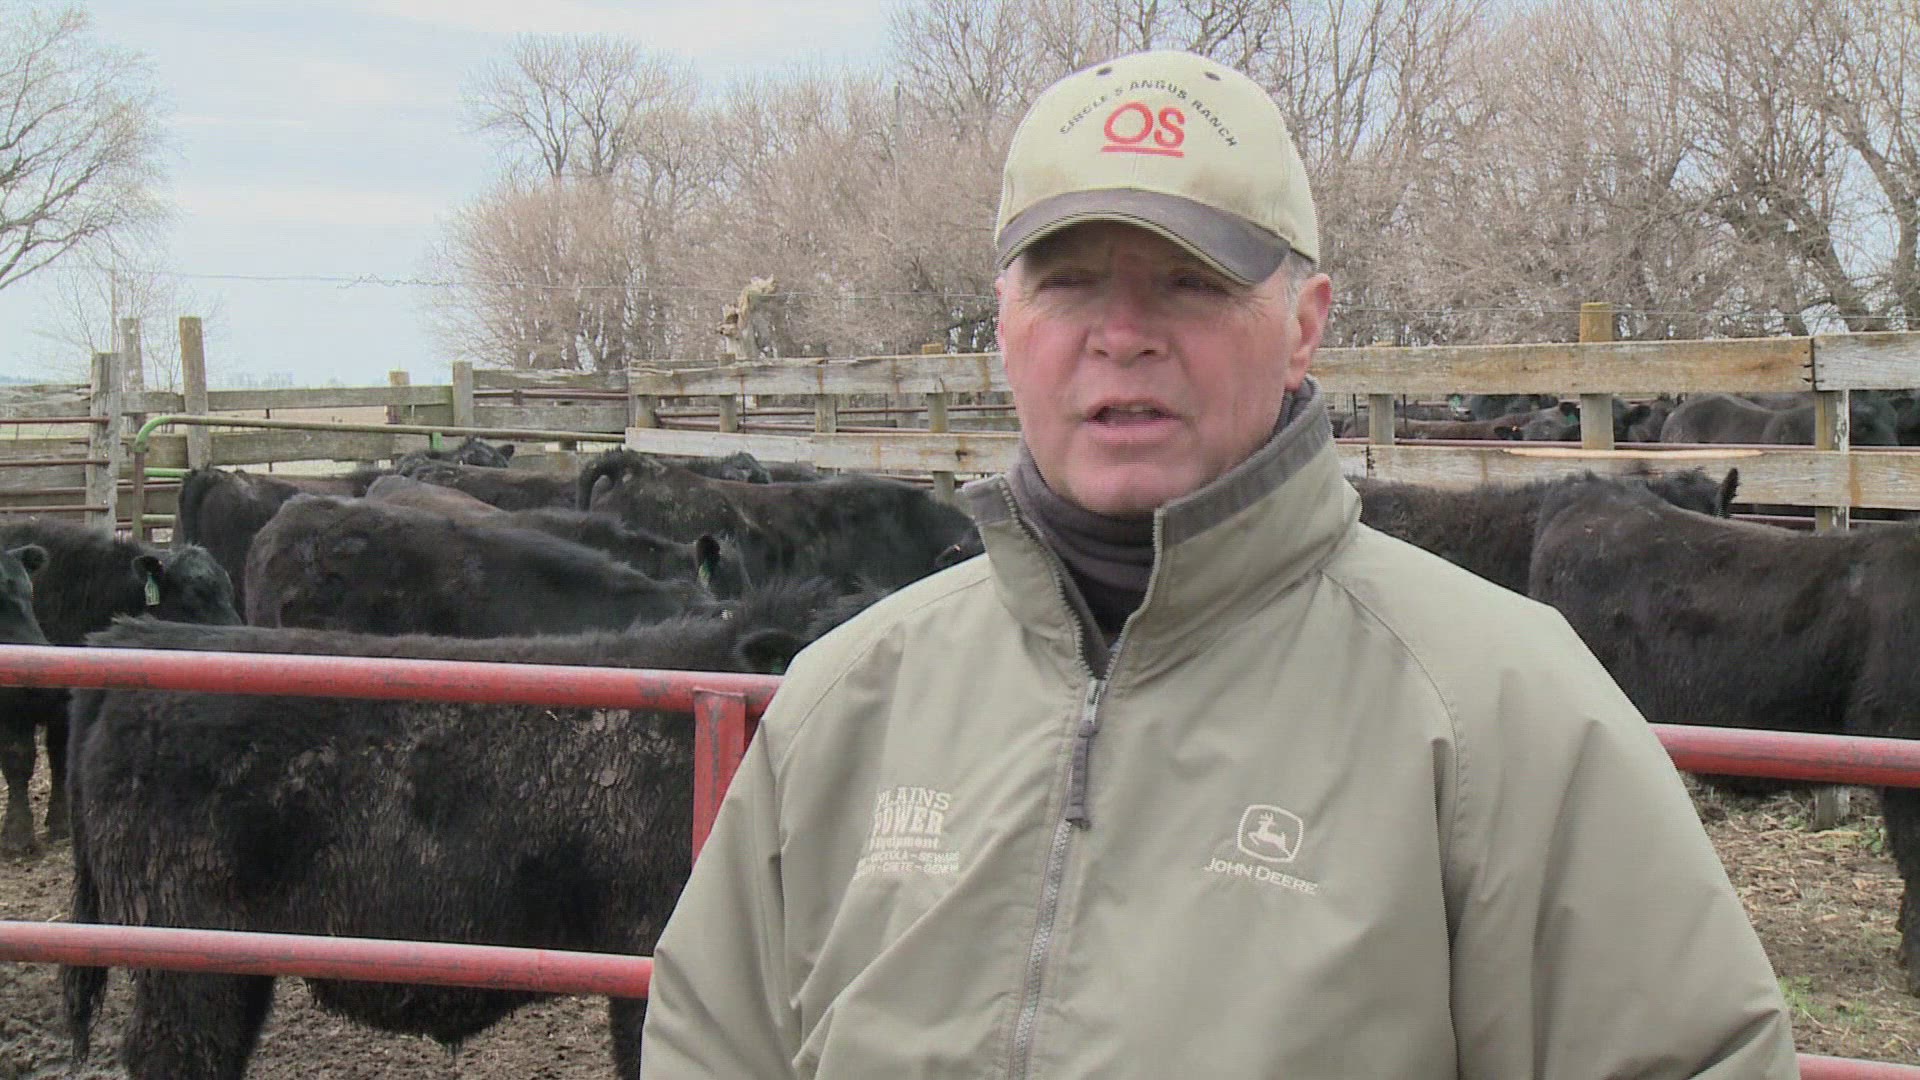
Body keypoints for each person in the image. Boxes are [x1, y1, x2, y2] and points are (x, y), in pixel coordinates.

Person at [640, 49, 1798, 1078]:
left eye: (1191, 281)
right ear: (1002, 323)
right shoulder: (848, 705)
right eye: (1068, 280)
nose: (1123, 333)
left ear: (1305, 324)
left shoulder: (1501, 717)